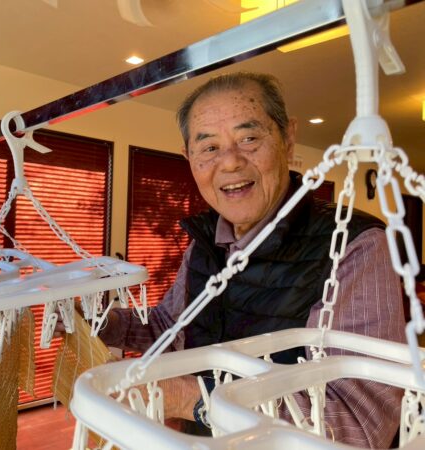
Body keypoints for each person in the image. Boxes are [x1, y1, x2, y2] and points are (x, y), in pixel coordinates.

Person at [97, 72, 406, 449]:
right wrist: (102, 322)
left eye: (249, 139)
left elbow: (362, 426)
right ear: (189, 158)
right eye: (209, 147)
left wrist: (192, 398)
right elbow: (170, 327)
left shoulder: (356, 245)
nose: (230, 162)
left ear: (287, 139)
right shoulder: (205, 243)